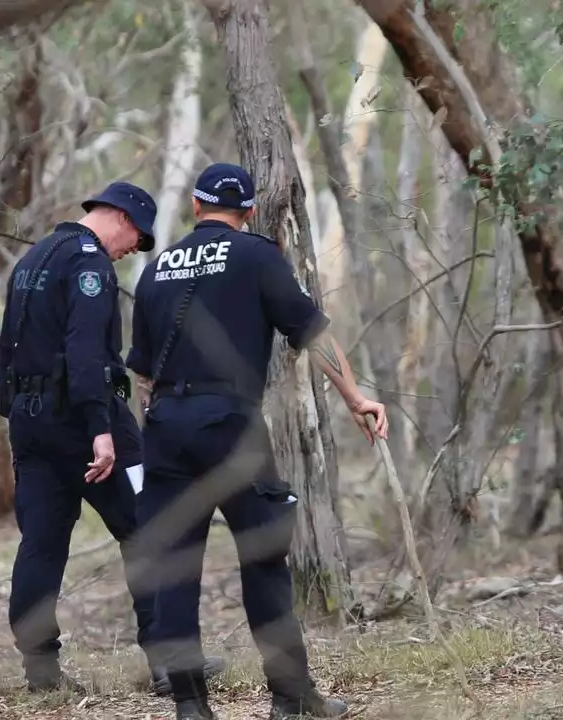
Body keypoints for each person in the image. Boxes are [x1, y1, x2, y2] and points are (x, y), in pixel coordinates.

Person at [127, 162, 388, 720]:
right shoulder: (257, 255)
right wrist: (356, 398)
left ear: (196, 207)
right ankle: (291, 699)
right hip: (230, 423)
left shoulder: (155, 270)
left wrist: (164, 423)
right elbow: (311, 333)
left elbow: (142, 373)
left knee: (174, 566)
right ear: (246, 213)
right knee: (265, 558)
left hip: (167, 426)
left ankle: (191, 707)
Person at [0, 182, 225, 694]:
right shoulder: (89, 265)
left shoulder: (33, 258)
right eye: (136, 239)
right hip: (87, 421)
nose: (130, 250)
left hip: (32, 423)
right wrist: (101, 430)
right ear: (121, 217)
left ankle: (42, 673)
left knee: (42, 545)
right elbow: (85, 354)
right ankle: (169, 663)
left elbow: (7, 345)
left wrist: (13, 416)